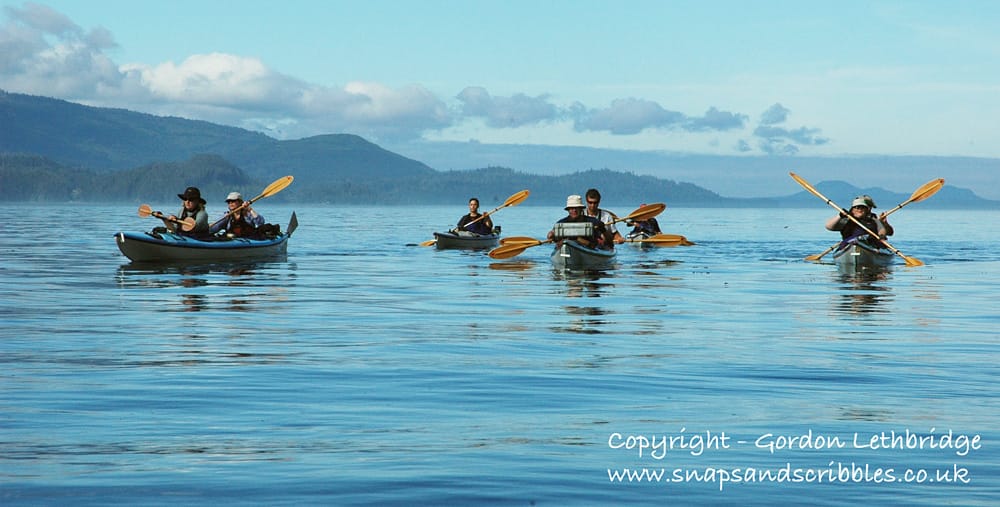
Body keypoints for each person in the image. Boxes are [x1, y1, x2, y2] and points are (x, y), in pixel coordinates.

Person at [547, 195, 614, 249]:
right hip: (567, 245)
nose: (574, 210)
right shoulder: (561, 223)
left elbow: (609, 241)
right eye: (571, 208)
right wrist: (550, 235)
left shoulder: (594, 222)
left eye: (577, 208)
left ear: (581, 209)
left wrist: (603, 230)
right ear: (568, 210)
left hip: (590, 247)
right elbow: (551, 233)